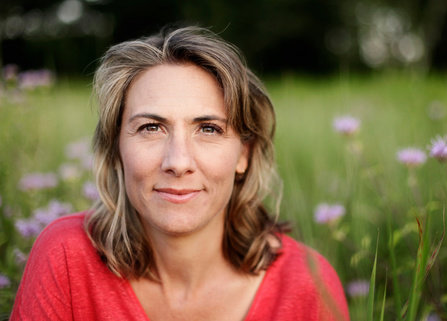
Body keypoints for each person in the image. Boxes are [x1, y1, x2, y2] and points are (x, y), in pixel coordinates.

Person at [10, 26, 349, 321]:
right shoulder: (66, 257)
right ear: (116, 149)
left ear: (243, 154)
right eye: (152, 127)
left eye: (209, 129)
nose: (178, 161)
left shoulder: (308, 283)